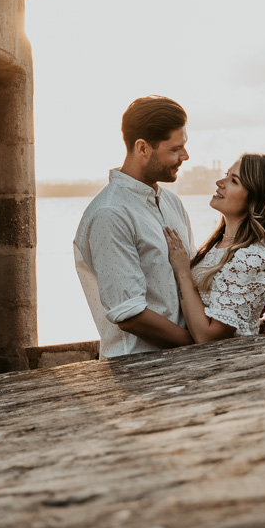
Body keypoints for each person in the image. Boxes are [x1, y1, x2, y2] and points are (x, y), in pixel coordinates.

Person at [73, 96, 195, 358]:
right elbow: (129, 315)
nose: (185, 156)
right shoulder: (110, 214)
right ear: (142, 148)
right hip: (138, 369)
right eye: (175, 149)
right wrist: (198, 343)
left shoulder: (172, 203)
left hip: (186, 363)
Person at [165, 154, 265, 342]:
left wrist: (182, 272)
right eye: (226, 175)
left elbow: (208, 338)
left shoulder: (253, 258)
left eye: (233, 181)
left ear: (256, 200)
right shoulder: (219, 244)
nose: (220, 182)